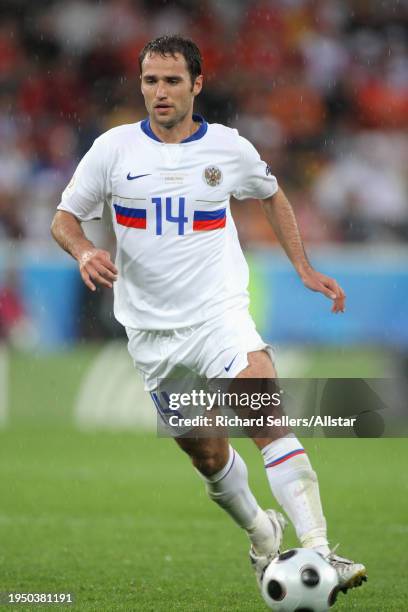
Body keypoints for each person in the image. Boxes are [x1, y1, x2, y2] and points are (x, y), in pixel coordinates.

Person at [51, 35, 366, 599]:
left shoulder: (228, 148)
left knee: (263, 411)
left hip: (218, 316)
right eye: (151, 80)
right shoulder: (113, 149)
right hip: (152, 336)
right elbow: (64, 218)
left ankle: (320, 552)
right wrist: (84, 250)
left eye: (173, 80)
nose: (160, 92)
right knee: (208, 453)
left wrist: (303, 267)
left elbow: (272, 195)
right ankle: (261, 530)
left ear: (197, 84)